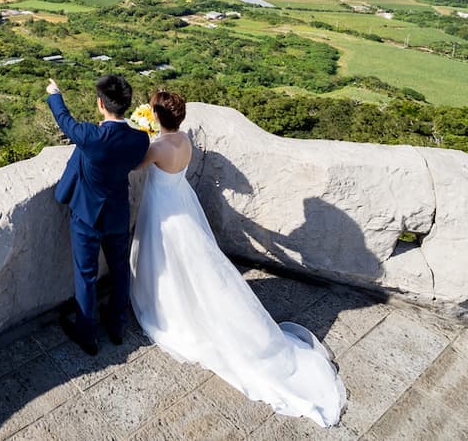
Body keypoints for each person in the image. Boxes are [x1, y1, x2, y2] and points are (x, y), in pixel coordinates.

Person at [131, 90, 346, 427]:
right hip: (180, 199)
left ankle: (170, 309)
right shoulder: (184, 141)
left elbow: (132, 161)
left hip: (163, 208)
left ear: (157, 117)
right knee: (193, 264)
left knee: (167, 258)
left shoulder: (157, 147)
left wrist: (139, 134)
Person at [46, 75, 149, 356]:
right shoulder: (140, 139)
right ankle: (116, 326)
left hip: (86, 216)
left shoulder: (92, 136)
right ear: (126, 105)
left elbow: (65, 121)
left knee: (86, 275)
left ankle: (87, 334)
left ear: (100, 104)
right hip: (117, 213)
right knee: (119, 270)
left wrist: (55, 94)